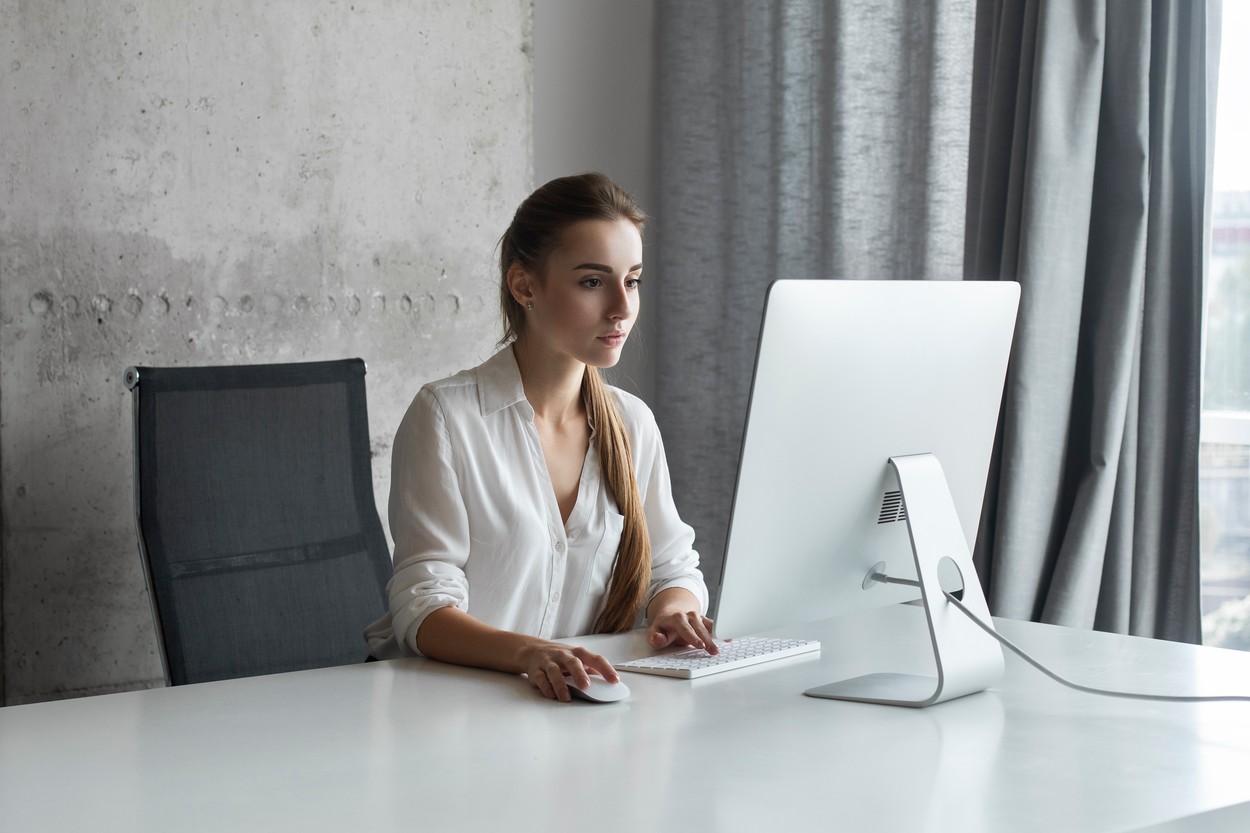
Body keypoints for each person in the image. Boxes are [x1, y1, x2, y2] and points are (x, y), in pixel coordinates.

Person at [365, 172, 716, 701]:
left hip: (566, 707)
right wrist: (530, 652)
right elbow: (423, 607)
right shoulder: (447, 416)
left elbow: (672, 567)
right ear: (525, 285)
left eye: (633, 280)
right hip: (443, 708)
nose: (622, 306)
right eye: (593, 282)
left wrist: (675, 613)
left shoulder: (632, 424)